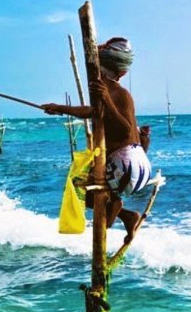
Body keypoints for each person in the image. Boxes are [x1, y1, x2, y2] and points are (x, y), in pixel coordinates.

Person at [42, 37, 152, 243]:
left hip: (125, 165)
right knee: (84, 191)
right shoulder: (109, 90)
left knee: (81, 189)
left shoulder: (117, 93)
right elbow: (93, 112)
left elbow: (124, 130)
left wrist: (106, 100)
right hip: (134, 165)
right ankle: (128, 216)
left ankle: (117, 207)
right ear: (122, 72)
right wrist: (60, 108)